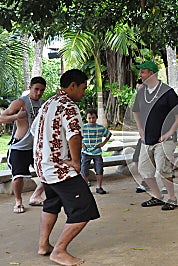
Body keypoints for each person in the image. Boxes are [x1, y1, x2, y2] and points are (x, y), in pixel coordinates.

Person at [31, 69, 100, 265]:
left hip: (44, 166)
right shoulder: (69, 106)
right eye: (83, 88)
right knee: (84, 208)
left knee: (52, 203)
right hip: (60, 168)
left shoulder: (47, 104)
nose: (83, 93)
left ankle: (43, 245)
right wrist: (76, 162)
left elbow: (35, 130)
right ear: (72, 86)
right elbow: (74, 135)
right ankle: (59, 251)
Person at [133, 60, 178, 211]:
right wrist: (140, 130)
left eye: (143, 72)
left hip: (165, 139)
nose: (140, 75)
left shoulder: (166, 91)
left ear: (151, 73)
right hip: (147, 139)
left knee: (163, 170)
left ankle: (172, 198)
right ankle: (157, 196)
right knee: (143, 169)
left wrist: (170, 131)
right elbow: (136, 110)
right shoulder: (141, 92)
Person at [0, 77, 46, 213]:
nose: (38, 93)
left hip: (36, 147)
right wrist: (16, 117)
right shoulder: (20, 102)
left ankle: (36, 196)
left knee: (48, 172)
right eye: (36, 89)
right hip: (19, 146)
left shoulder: (44, 104)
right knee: (18, 176)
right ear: (30, 87)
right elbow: (2, 118)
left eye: (42, 90)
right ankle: (18, 201)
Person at [81, 108, 112, 194]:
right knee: (84, 170)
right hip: (85, 152)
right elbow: (77, 136)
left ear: (96, 117)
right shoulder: (83, 128)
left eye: (93, 117)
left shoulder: (100, 128)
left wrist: (103, 143)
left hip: (97, 152)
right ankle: (85, 188)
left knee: (99, 169)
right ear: (86, 118)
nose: (91, 120)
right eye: (89, 118)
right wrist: (81, 144)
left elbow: (109, 134)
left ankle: (99, 187)